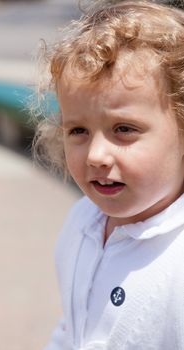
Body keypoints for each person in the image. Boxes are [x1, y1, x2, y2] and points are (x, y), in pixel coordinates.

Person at [33, 1, 184, 349]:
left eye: (124, 129)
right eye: (78, 131)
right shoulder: (82, 222)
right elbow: (76, 325)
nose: (96, 155)